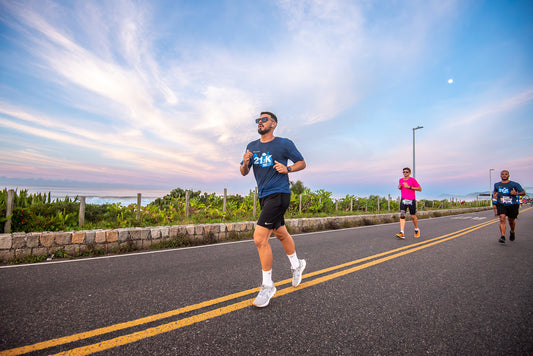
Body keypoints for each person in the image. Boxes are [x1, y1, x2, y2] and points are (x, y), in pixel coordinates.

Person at [240, 111, 307, 308]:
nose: (260, 122)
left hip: (279, 193)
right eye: (258, 120)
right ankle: (297, 265)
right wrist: (245, 162)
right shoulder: (251, 146)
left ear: (274, 124)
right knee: (280, 232)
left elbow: (301, 162)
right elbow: (244, 172)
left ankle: (268, 285)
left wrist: (288, 169)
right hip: (264, 196)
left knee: (260, 238)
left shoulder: (284, 143)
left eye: (264, 120)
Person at [493, 170, 525, 243]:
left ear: (508, 175)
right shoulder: (497, 184)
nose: (504, 175)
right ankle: (502, 236)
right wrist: (494, 195)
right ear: (500, 176)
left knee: (511, 220)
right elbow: (495, 191)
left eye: (506, 174)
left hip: (512, 204)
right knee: (502, 218)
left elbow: (523, 192)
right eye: (502, 174)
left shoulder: (514, 184)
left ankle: (512, 231)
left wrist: (516, 193)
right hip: (501, 204)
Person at [395, 167, 422, 239]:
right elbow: (402, 188)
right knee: (402, 215)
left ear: (410, 173)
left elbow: (420, 189)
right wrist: (400, 187)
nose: (405, 173)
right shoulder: (400, 180)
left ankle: (416, 229)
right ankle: (402, 232)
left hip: (411, 200)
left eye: (407, 172)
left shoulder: (412, 180)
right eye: (404, 172)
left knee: (412, 216)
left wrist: (409, 187)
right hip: (403, 200)